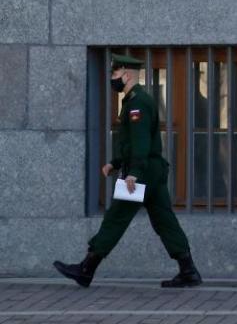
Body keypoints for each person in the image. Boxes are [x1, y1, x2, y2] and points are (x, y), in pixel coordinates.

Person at [53, 54, 201, 288]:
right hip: (151, 171)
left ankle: (86, 269)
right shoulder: (135, 99)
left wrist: (133, 173)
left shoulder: (138, 103)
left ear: (126, 74)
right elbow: (132, 141)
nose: (113, 78)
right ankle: (188, 270)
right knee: (165, 220)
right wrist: (116, 162)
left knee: (117, 216)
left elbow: (141, 140)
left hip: (141, 173)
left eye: (114, 74)